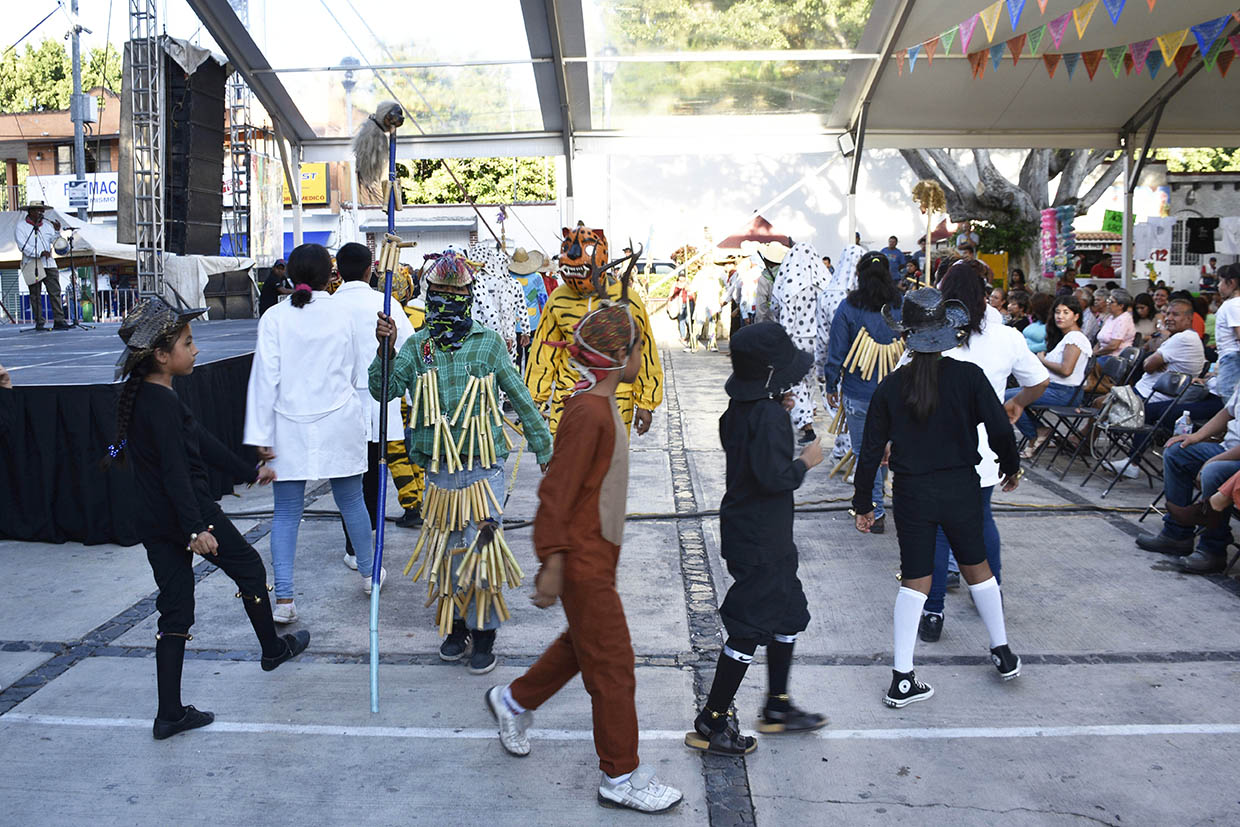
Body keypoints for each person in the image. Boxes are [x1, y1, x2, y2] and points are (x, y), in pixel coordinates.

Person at [485, 301, 684, 814]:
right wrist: (551, 559)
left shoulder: (600, 405)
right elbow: (556, 489)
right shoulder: (589, 412)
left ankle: (513, 702)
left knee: (584, 646)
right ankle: (621, 775)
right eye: (640, 347)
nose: (645, 354)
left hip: (595, 557)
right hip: (582, 561)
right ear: (619, 358)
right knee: (613, 665)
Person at [106, 298, 308, 740]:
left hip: (155, 521)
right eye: (187, 342)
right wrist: (196, 528)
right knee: (251, 570)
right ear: (161, 355)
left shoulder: (146, 397)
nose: (195, 350)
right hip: (191, 515)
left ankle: (170, 714)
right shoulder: (161, 404)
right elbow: (177, 473)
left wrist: (248, 471)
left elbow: (198, 441)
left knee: (175, 608)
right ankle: (272, 650)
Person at [373, 250, 554, 673]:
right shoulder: (417, 346)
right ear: (428, 295)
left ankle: (485, 632)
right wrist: (383, 350)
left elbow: (520, 396)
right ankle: (456, 627)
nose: (448, 300)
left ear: (469, 296)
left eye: (456, 293)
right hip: (439, 472)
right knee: (449, 553)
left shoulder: (488, 343)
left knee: (481, 551)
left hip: (482, 469)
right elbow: (384, 391)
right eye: (439, 293)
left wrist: (544, 446)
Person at [852, 288, 1022, 707]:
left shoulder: (891, 386)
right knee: (976, 566)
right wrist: (1009, 464)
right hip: (961, 486)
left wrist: (863, 503)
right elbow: (1000, 427)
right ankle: (1001, 651)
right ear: (947, 331)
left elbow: (871, 450)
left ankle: (903, 677)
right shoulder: (968, 377)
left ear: (905, 334)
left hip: (912, 491)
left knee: (916, 579)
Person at [686, 322, 827, 755]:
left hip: (756, 532)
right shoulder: (767, 416)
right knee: (748, 627)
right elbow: (773, 477)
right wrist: (807, 460)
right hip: (762, 538)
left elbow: (754, 443)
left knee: (787, 615)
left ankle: (778, 705)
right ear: (768, 376)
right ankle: (712, 720)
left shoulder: (742, 410)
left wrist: (775, 411)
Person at [244, 243, 380, 624]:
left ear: (290, 276)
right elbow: (358, 371)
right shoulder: (343, 314)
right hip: (339, 418)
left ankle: (284, 599)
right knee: (352, 502)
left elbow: (263, 380)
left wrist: (260, 434)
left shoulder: (273, 318)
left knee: (286, 512)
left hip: (288, 425)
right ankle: (370, 576)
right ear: (330, 275)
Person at [919, 264, 1049, 643]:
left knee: (939, 528)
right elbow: (1039, 381)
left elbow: (903, 384)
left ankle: (933, 611)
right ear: (984, 295)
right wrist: (1017, 404)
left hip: (935, 447)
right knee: (980, 519)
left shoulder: (929, 335)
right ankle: (990, 594)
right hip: (986, 444)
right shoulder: (1007, 337)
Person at [527, 224, 663, 436]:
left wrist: (646, 401)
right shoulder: (558, 299)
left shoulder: (628, 300)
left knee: (609, 464)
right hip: (569, 397)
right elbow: (544, 353)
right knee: (565, 463)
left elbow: (645, 351)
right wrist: (534, 400)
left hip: (617, 398)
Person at [329, 242, 417, 570]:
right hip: (379, 401)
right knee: (374, 475)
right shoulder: (385, 304)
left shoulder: (330, 306)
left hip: (341, 403)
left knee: (350, 479)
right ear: (370, 271)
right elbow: (410, 350)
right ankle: (367, 541)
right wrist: (414, 398)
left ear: (339, 271)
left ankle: (355, 546)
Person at [822, 252, 902, 533]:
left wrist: (831, 383)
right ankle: (893, 506)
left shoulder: (848, 307)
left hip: (859, 392)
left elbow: (837, 351)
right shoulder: (900, 305)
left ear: (859, 275)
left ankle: (874, 510)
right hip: (897, 394)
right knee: (892, 451)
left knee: (867, 453)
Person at [1135, 385, 1240, 574]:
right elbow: (1228, 412)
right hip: (1228, 447)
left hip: (1236, 457)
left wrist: (1212, 460)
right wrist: (1195, 437)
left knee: (1214, 471)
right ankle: (1177, 535)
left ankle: (1212, 550)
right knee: (1176, 452)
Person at [1009, 296, 1092, 456]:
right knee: (1012, 396)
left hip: (1064, 392)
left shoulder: (1075, 338)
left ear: (1076, 316)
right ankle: (1040, 431)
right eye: (1057, 312)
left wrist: (1043, 360)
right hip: (1054, 388)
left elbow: (1066, 370)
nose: (1060, 316)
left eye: (1066, 312)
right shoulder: (1066, 337)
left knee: (1008, 398)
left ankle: (1036, 435)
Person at [772, 242, 830, 444]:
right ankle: (811, 410)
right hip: (820, 339)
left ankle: (806, 425)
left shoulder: (788, 283)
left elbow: (778, 311)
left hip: (796, 339)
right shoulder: (825, 281)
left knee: (796, 382)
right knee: (812, 378)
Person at [15, 201, 67, 330]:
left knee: (55, 292)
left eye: (42, 210)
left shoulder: (48, 226)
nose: (41, 213)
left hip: (49, 263)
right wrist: (39, 253)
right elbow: (23, 246)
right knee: (35, 294)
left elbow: (56, 242)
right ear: (31, 212)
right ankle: (39, 322)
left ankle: (59, 320)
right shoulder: (21, 226)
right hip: (31, 263)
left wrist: (57, 231)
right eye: (38, 210)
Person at [509, 248, 549, 368]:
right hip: (533, 323)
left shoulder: (509, 276)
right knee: (531, 355)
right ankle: (528, 382)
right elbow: (543, 299)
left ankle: (516, 383)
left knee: (516, 356)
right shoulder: (537, 277)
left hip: (514, 324)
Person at [1212, 265, 1240, 398]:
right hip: (1230, 356)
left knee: (1227, 394)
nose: (1218, 286)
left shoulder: (1233, 304)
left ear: (1232, 283)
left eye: (1220, 281)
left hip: (1231, 356)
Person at [1094, 289, 1136, 362]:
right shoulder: (1111, 317)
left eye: (1111, 302)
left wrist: (1095, 354)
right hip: (1102, 354)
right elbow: (1099, 340)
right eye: (1108, 301)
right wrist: (1092, 353)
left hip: (1115, 358)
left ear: (1121, 306)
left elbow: (1113, 346)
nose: (1107, 304)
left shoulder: (1123, 319)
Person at [752, 241, 787, 324]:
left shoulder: (764, 278)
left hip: (770, 323)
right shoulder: (787, 274)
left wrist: (759, 325)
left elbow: (761, 306)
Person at [669, 274, 695, 349]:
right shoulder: (675, 285)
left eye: (683, 278)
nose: (682, 279)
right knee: (681, 320)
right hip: (679, 303)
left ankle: (690, 334)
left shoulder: (688, 284)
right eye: (680, 278)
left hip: (688, 302)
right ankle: (683, 336)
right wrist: (669, 302)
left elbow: (692, 293)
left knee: (688, 319)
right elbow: (671, 294)